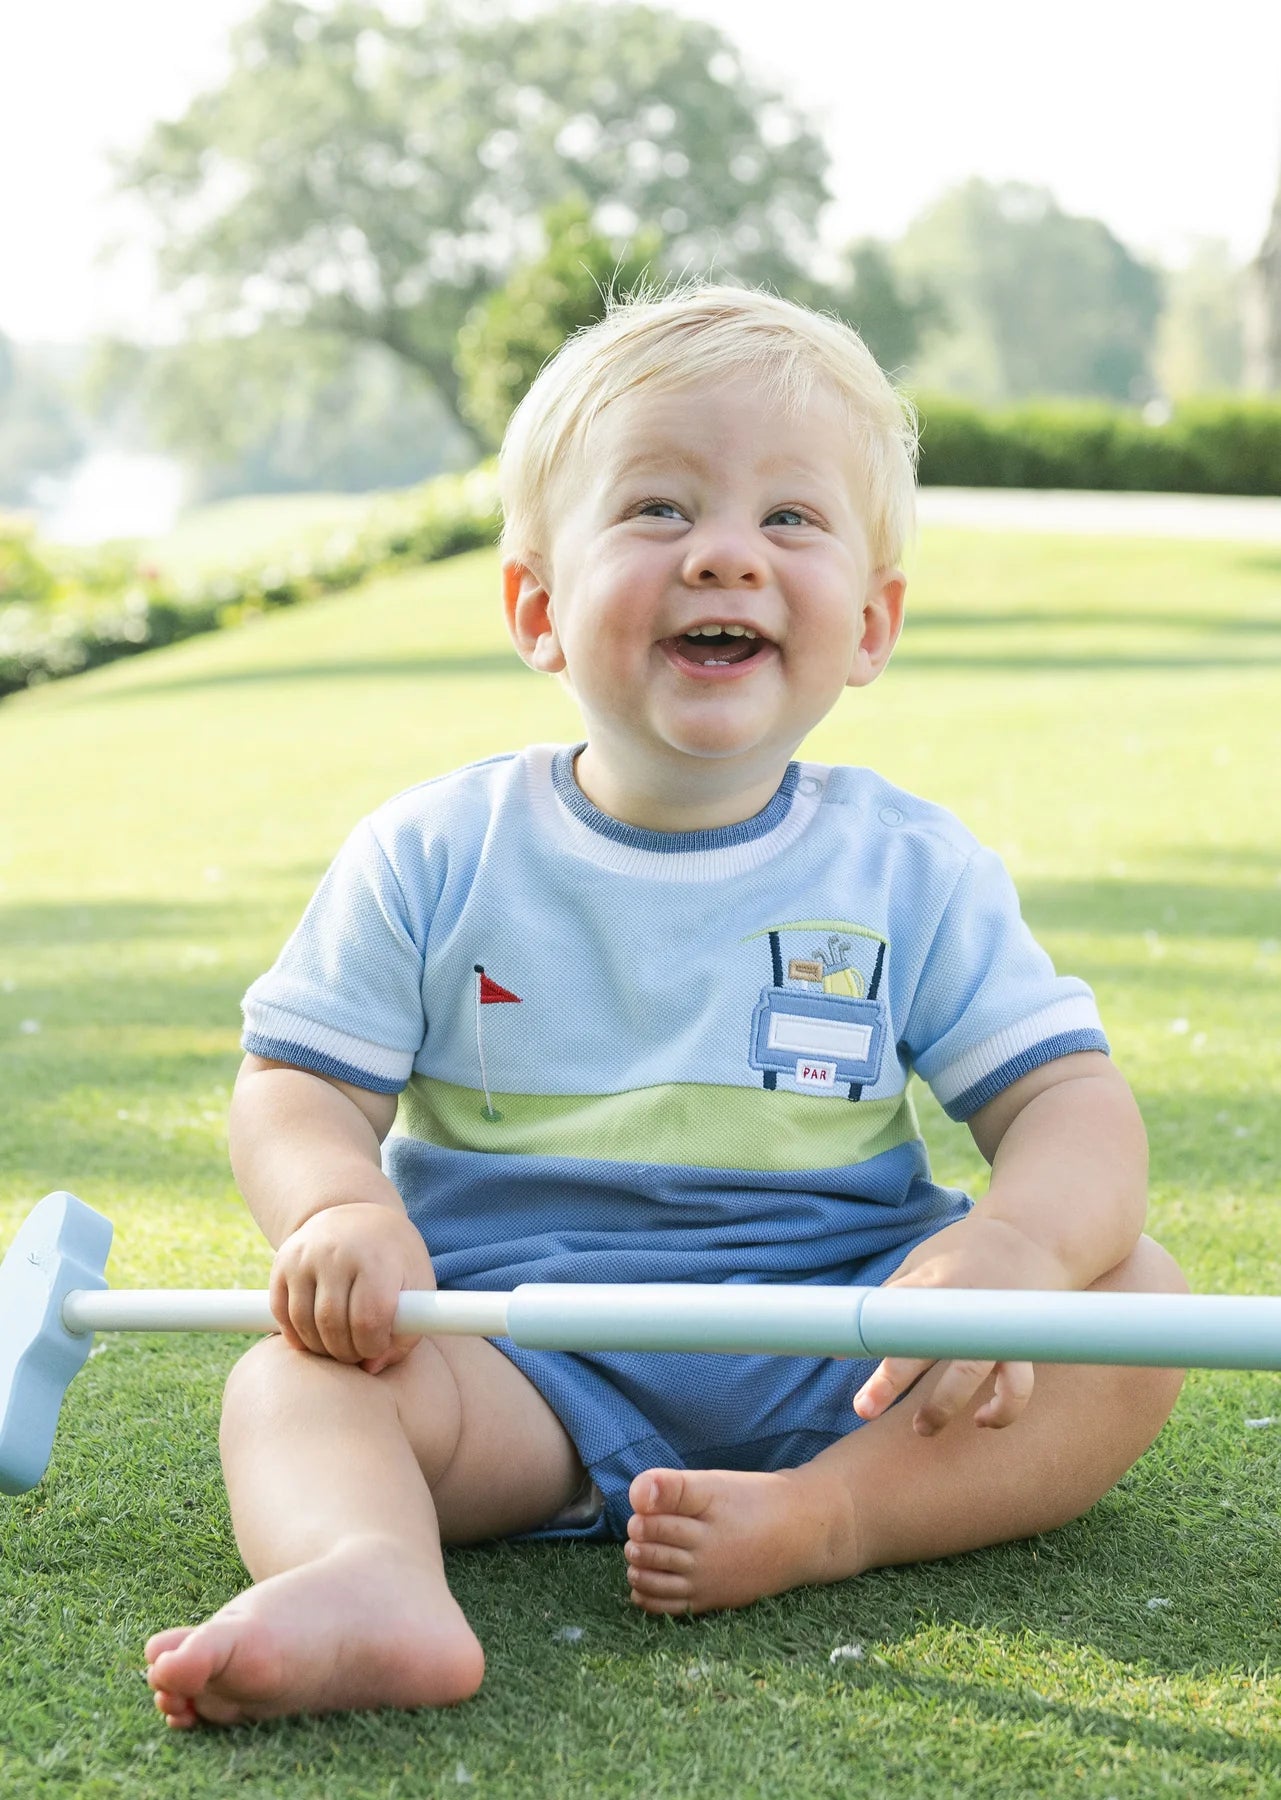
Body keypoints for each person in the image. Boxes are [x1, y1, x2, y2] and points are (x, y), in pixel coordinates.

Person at [144, 282, 1186, 1729]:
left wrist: (1005, 1247)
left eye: (789, 521)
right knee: (293, 1383)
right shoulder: (435, 852)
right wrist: (336, 1210)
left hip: (853, 1355)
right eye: (654, 510)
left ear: (871, 624)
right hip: (519, 1367)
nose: (722, 558)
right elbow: (297, 1085)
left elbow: (1068, 1102)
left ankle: (829, 1521)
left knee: (1135, 1301)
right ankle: (367, 1572)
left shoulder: (907, 865)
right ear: (535, 608)